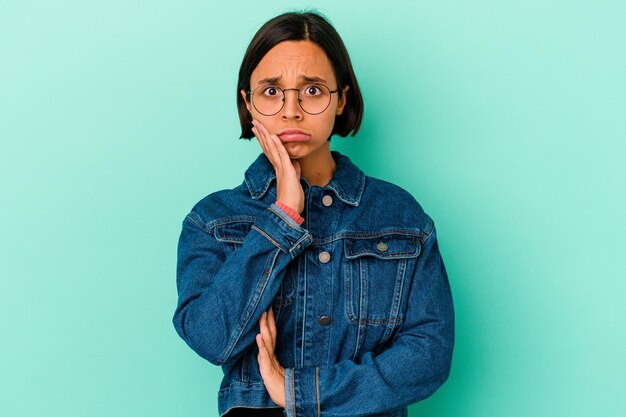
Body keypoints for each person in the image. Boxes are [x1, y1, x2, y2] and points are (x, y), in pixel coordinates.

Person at [173, 11, 454, 417]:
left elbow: (430, 353)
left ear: (341, 98)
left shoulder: (400, 216)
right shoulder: (213, 220)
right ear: (246, 102)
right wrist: (283, 215)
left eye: (312, 90)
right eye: (271, 91)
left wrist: (298, 391)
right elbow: (211, 338)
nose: (291, 111)